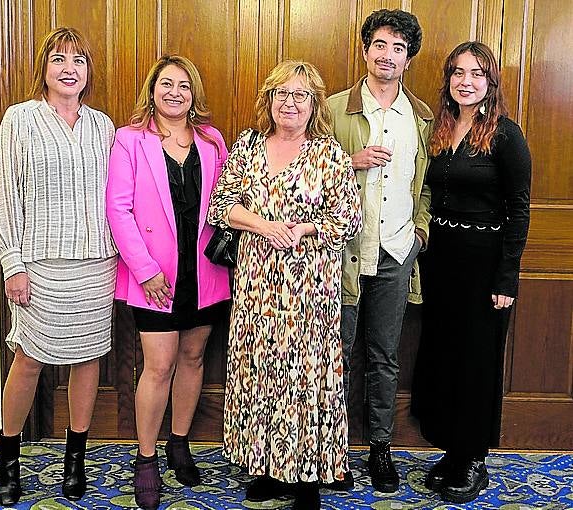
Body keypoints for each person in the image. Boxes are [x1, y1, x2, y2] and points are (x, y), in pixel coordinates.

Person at [209, 60, 361, 510]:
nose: (289, 103)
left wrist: (303, 230)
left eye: (300, 95)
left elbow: (348, 218)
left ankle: (307, 476)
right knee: (261, 373)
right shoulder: (248, 147)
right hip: (256, 285)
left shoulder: (329, 153)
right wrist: (264, 225)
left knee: (307, 378)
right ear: (268, 101)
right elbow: (222, 206)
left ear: (314, 104)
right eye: (281, 94)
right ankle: (266, 467)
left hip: (309, 289)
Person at [0, 27, 117, 505]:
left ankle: (74, 459)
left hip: (97, 264)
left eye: (78, 60)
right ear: (44, 68)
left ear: (88, 72)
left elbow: (116, 198)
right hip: (37, 265)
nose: (69, 68)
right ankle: (9, 458)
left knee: (88, 360)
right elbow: (2, 193)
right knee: (29, 360)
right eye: (59, 59)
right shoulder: (20, 119)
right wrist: (11, 263)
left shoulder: (103, 126)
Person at [105, 55, 231, 510]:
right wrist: (145, 270)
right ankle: (146, 458)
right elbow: (118, 210)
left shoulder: (212, 140)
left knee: (193, 357)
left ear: (193, 93)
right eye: (166, 84)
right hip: (153, 276)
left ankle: (180, 442)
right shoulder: (130, 140)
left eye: (184, 85)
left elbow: (229, 201)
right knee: (158, 366)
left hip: (205, 273)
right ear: (152, 90)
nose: (175, 92)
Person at [411, 41, 531, 504]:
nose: (466, 81)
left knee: (477, 361)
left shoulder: (506, 135)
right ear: (448, 81)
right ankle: (452, 450)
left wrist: (507, 278)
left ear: (490, 83)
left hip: (484, 268)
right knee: (444, 355)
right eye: (458, 73)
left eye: (477, 74)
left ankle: (473, 457)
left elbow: (519, 209)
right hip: (439, 263)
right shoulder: (438, 129)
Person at [327, 9, 432, 493]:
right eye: (381, 45)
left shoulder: (423, 117)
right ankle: (333, 450)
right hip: (343, 253)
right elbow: (305, 176)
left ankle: (380, 448)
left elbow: (426, 186)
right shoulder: (330, 109)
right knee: (337, 354)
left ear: (408, 58)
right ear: (366, 49)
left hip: (395, 251)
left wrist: (419, 235)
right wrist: (352, 161)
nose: (388, 55)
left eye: (398, 48)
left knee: (385, 356)